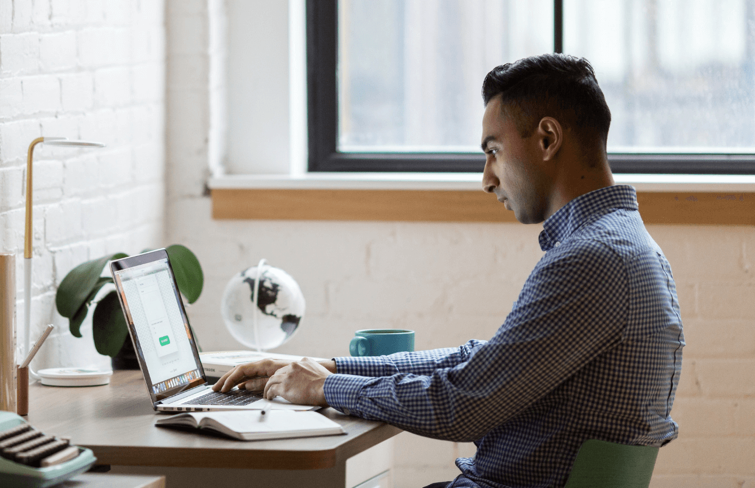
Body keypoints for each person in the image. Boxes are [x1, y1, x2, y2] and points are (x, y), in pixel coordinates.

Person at [213, 53, 684, 488]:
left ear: (547, 139)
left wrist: (324, 388)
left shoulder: (592, 260)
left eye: (493, 150)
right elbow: (483, 361)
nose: (486, 178)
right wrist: (332, 367)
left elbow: (464, 404)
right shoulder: (624, 247)